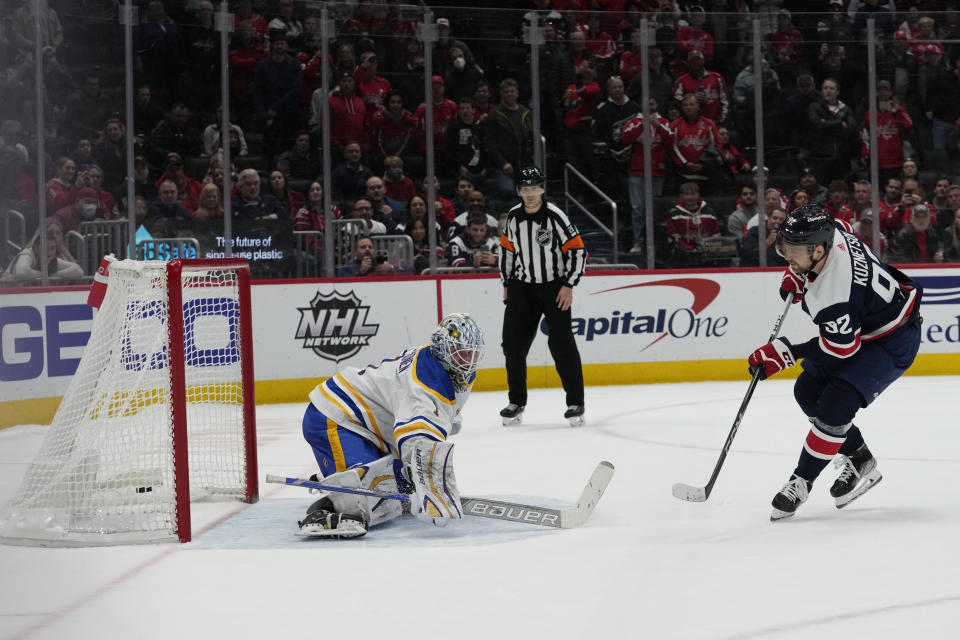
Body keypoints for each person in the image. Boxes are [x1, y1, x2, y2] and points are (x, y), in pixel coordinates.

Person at [747, 205, 922, 521]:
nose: (786, 254)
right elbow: (842, 224)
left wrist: (786, 352)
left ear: (818, 249)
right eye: (785, 246)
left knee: (836, 403)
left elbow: (840, 350)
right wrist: (800, 272)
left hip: (892, 339)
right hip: (867, 323)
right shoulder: (834, 232)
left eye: (794, 250)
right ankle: (859, 457)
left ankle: (801, 480)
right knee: (807, 391)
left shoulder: (834, 294)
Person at [297, 312, 485, 538]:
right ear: (443, 348)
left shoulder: (449, 368)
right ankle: (328, 506)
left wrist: (415, 483)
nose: (469, 359)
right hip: (335, 417)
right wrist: (425, 488)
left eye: (473, 352)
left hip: (369, 426)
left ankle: (343, 473)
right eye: (462, 353)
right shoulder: (424, 384)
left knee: (398, 487)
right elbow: (416, 441)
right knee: (369, 507)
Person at [499, 167, 586, 427]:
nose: (530, 194)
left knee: (561, 344)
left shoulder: (556, 217)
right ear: (519, 192)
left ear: (542, 189)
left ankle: (575, 402)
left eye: (534, 188)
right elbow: (507, 251)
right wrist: (506, 282)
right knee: (512, 345)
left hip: (554, 288)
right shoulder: (513, 217)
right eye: (525, 189)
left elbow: (578, 251)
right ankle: (516, 402)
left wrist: (569, 284)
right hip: (522, 288)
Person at [3, 218, 84, 282]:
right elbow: (22, 272)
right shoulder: (27, 253)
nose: (54, 236)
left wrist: (53, 275)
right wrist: (45, 276)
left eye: (52, 248)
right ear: (37, 248)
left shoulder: (53, 258)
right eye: (51, 232)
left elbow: (78, 270)